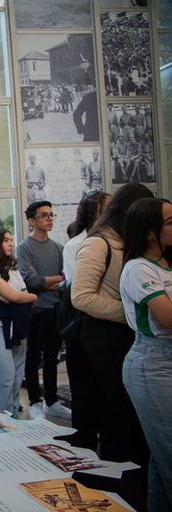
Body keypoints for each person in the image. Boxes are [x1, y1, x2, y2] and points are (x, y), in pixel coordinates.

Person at [68, 184, 153, 461]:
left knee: (128, 406)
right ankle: (118, 467)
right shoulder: (98, 242)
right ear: (128, 212)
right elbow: (81, 297)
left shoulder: (130, 241)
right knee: (115, 404)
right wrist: (132, 313)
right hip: (105, 334)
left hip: (125, 333)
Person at [121, 198, 172, 511]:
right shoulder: (138, 268)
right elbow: (167, 317)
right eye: (169, 221)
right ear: (150, 231)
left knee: (161, 455)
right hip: (153, 364)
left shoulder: (166, 263)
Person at [17, 201, 71, 420]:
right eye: (44, 215)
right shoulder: (24, 248)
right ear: (32, 220)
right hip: (36, 310)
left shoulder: (58, 248)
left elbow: (66, 280)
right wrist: (54, 280)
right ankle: (35, 401)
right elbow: (30, 281)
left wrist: (46, 281)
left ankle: (51, 401)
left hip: (56, 309)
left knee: (52, 357)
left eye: (51, 215)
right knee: (33, 357)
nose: (49, 219)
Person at [0, 227, 37, 418]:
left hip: (16, 324)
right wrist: (25, 297)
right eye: (6, 240)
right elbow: (14, 296)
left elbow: (22, 295)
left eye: (11, 239)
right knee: (5, 378)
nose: (11, 243)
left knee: (17, 377)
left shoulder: (13, 267)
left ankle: (13, 419)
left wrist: (26, 297)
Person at [63, 191, 111, 280]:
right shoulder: (74, 245)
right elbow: (74, 281)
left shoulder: (116, 241)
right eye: (107, 208)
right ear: (93, 213)